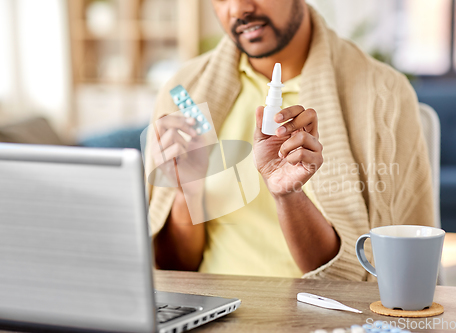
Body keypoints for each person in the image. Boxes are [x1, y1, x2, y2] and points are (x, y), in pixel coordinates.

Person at [144, 0, 435, 281]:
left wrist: (289, 196)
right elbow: (174, 268)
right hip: (214, 313)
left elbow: (388, 271)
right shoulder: (185, 90)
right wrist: (186, 193)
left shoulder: (384, 95)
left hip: (319, 318)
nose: (238, 9)